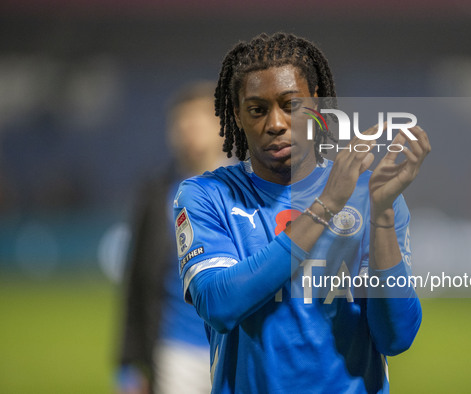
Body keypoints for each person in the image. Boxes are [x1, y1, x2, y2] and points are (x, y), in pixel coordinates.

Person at [174, 32, 431, 393]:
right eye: (257, 109)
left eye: (290, 105)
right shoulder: (206, 195)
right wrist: (326, 205)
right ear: (237, 115)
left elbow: (397, 337)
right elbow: (219, 304)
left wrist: (383, 215)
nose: (275, 123)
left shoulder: (370, 196)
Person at [117, 82, 231, 394]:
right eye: (181, 122)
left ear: (223, 127)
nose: (188, 130)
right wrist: (129, 360)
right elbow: (137, 278)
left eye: (198, 120)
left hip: (235, 346)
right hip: (175, 349)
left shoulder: (247, 191)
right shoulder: (156, 193)